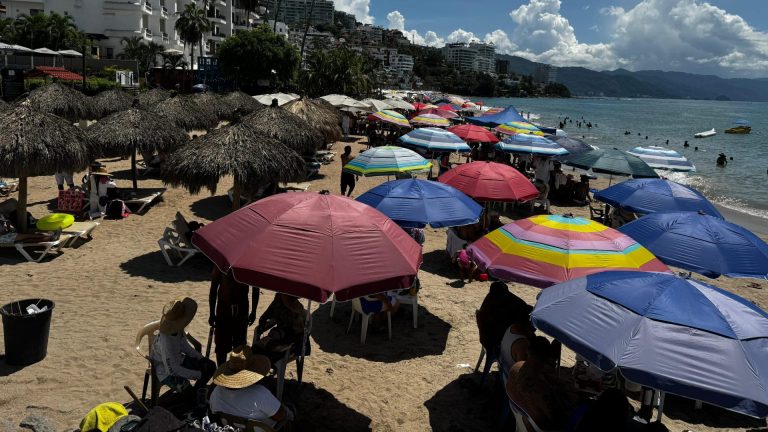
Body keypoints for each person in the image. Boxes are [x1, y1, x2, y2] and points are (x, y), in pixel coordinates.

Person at [209, 346, 294, 429]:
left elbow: (214, 411)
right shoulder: (259, 394)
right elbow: (280, 416)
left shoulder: (216, 392)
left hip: (232, 428)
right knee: (289, 412)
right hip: (262, 428)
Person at [506, 337, 575, 431]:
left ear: (528, 351)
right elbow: (560, 421)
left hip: (521, 421)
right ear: (547, 359)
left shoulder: (516, 367)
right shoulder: (542, 391)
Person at [151, 297, 216, 393]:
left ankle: (197, 391)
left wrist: (201, 359)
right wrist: (198, 374)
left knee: (210, 366)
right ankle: (191, 394)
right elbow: (172, 369)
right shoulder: (167, 342)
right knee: (187, 391)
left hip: (179, 359)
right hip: (164, 370)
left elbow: (185, 347)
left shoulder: (177, 330)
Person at [209, 268, 259, 366]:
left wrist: (254, 311)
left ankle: (235, 374)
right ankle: (221, 370)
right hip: (224, 309)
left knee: (239, 346)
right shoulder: (222, 265)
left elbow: (256, 289)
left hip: (242, 310)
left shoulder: (249, 265)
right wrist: (212, 313)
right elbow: (214, 288)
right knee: (221, 345)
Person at [476, 282, 532, 356]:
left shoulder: (491, 297)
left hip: (489, 338)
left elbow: (518, 303)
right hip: (493, 342)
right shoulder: (492, 306)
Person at [254, 293, 309, 363]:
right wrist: (263, 324)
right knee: (268, 341)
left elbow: (298, 334)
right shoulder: (278, 304)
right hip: (281, 336)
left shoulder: (297, 310)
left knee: (272, 345)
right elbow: (264, 318)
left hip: (292, 340)